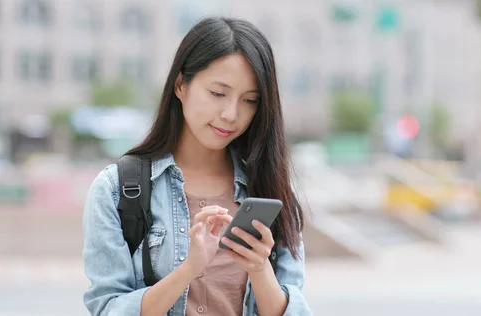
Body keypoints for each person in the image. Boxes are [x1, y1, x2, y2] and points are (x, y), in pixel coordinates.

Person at [82, 17, 312, 316]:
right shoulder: (117, 189)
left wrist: (259, 267)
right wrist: (189, 268)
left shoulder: (270, 191)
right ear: (181, 85)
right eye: (218, 93)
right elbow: (108, 309)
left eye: (250, 100)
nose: (231, 114)